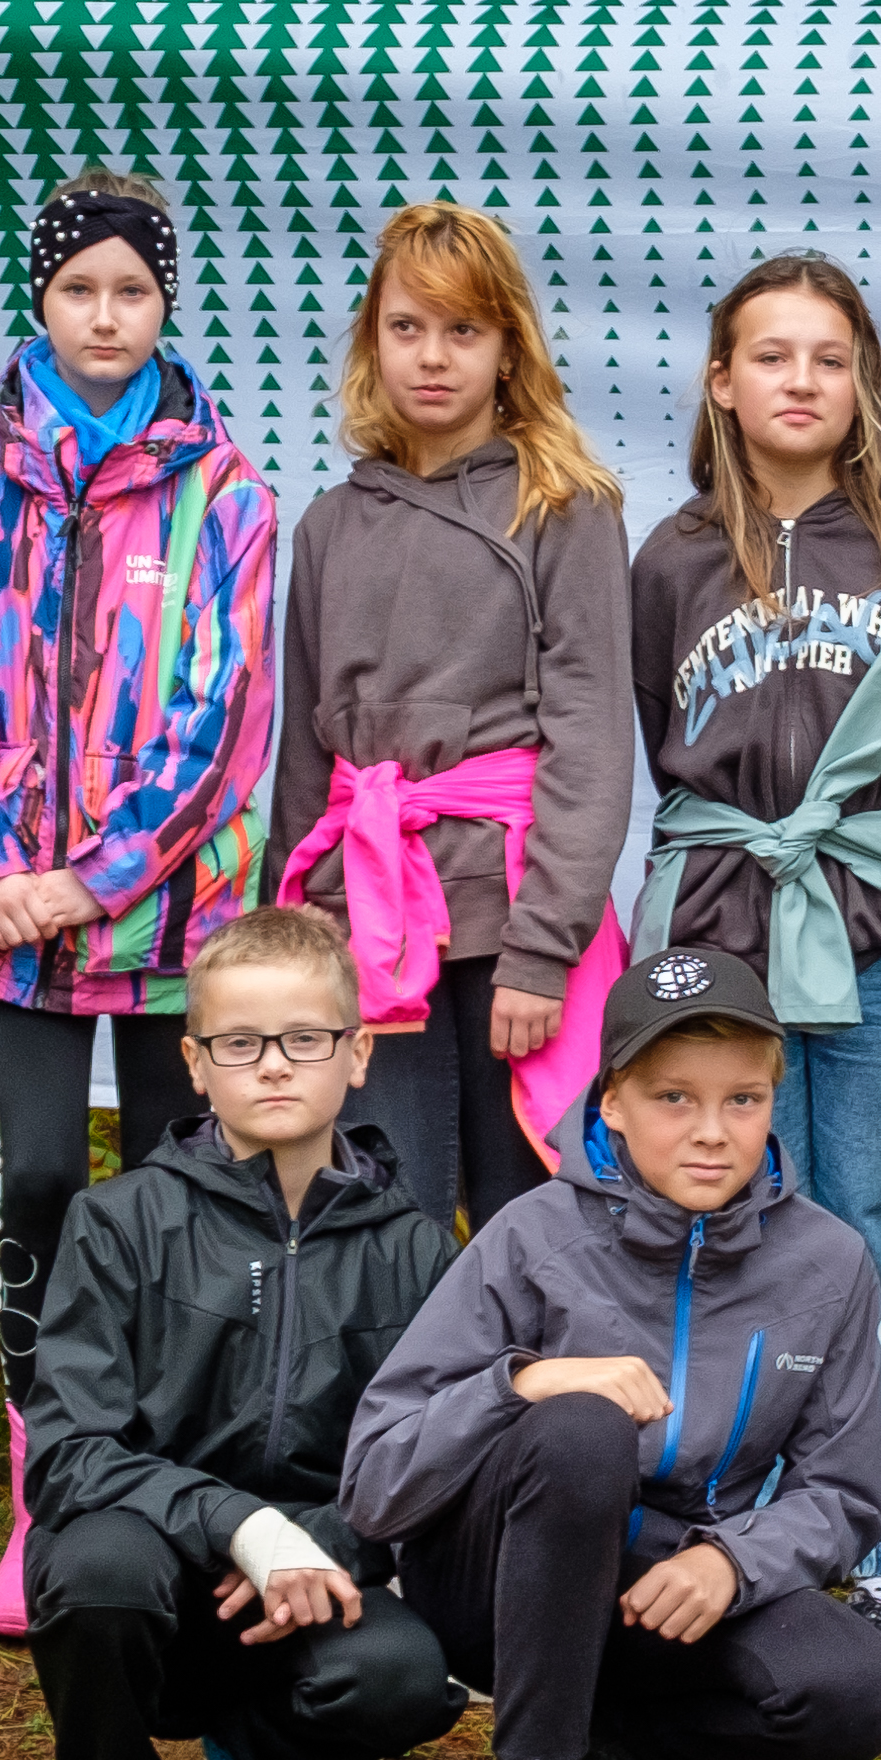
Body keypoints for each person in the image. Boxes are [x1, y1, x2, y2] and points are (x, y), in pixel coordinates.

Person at [342, 944, 881, 1760]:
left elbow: (844, 1494)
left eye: (742, 1099)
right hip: (496, 1582)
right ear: (610, 1101)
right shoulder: (530, 1236)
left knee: (855, 1689)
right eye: (673, 1098)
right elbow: (379, 1474)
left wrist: (732, 1564)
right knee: (581, 1428)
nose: (712, 1131)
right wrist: (521, 1382)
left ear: (771, 1100)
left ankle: (616, 1749)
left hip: (667, 1588)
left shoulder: (828, 1261)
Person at [0, 170, 282, 1640]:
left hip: (172, 923)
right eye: (79, 290)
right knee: (47, 1182)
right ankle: (47, 1489)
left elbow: (224, 711)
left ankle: (185, 1479)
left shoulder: (224, 490)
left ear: (166, 301)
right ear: (40, 301)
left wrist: (100, 872)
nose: (106, 316)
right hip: (8, 925)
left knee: (179, 1196)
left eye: (132, 290)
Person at [626, 252, 881, 1636]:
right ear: (723, 382)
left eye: (829, 357)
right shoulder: (676, 558)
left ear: (863, 381)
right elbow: (661, 743)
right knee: (725, 1240)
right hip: (727, 946)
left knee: (877, 1261)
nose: (800, 381)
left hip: (875, 943)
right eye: (772, 356)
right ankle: (738, 1542)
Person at [16, 906, 469, 1760]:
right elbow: (69, 1452)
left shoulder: (417, 1249)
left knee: (410, 1678)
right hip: (157, 1585)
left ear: (359, 1053)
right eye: (240, 1043)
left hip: (313, 1591)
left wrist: (317, 1546)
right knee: (95, 1569)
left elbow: (435, 1459)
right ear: (195, 1063)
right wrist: (239, 1526)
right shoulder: (119, 1222)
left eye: (305, 1038)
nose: (274, 1065)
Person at [268, 199, 637, 1236]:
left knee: (533, 1215)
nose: (433, 357)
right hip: (364, 921)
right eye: (407, 327)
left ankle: (538, 1404)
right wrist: (294, 940)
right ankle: (400, 1406)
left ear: (508, 348)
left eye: (464, 330)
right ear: (370, 341)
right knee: (385, 1215)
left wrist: (542, 949)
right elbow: (308, 751)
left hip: (503, 913)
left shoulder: (563, 506)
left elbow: (592, 736)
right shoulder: (331, 525)